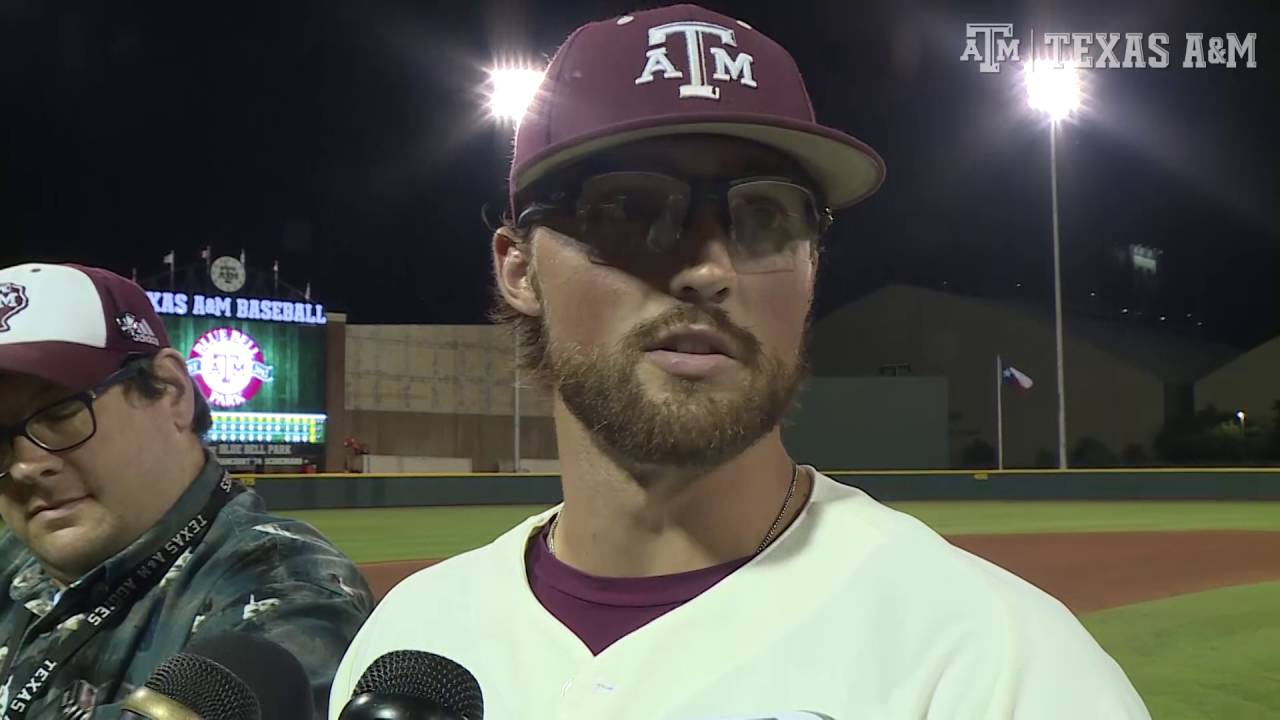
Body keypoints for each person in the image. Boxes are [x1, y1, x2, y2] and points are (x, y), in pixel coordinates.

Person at [332, 5, 1149, 718]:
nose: (707, 268)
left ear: (812, 270)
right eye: (631, 209)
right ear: (519, 269)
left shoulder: (999, 669)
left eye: (765, 218)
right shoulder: (415, 639)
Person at [0, 262, 374, 719]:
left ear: (173, 392)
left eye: (60, 414)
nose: (23, 466)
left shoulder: (287, 587)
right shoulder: (11, 559)